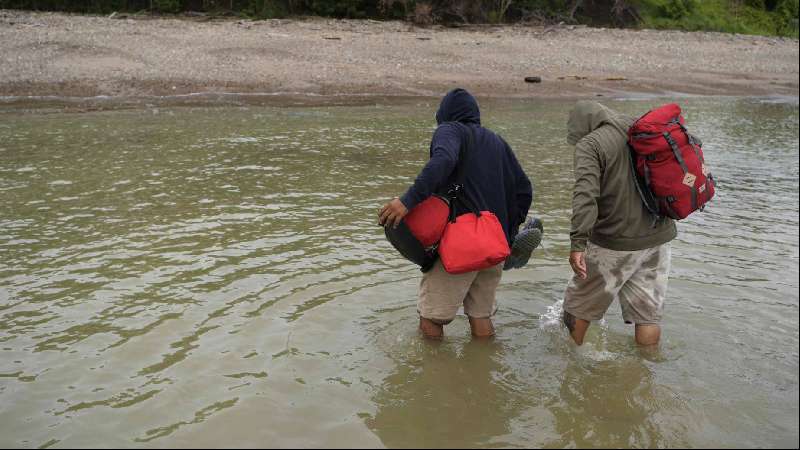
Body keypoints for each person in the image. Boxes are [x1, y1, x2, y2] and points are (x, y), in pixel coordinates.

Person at [379, 88, 532, 339]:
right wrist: (509, 232)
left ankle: (434, 375)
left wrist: (407, 201)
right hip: (495, 246)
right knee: (481, 317)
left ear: (445, 114)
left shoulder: (449, 130)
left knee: (431, 318)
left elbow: (443, 160)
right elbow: (524, 191)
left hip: (461, 245)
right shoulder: (497, 142)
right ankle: (484, 375)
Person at [562, 101, 677, 347]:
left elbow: (585, 195)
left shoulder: (590, 144)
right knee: (647, 316)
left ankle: (569, 365)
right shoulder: (638, 129)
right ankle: (647, 369)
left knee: (576, 309)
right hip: (660, 238)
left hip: (616, 241)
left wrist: (577, 242)